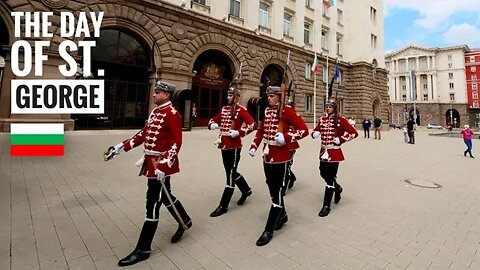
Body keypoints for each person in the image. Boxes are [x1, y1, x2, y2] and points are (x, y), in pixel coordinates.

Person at [107, 81, 192, 267]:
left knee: (152, 203)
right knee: (165, 195)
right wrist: (121, 146)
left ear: (167, 95)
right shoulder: (155, 112)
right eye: (154, 92)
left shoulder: (172, 114)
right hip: (151, 163)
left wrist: (163, 165)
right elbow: (144, 134)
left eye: (157, 92)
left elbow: (176, 143)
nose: (154, 95)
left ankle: (143, 248)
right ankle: (185, 219)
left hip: (160, 166)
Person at [249, 86, 308, 246]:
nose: (268, 98)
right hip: (267, 155)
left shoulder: (287, 111)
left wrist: (287, 137)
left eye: (272, 95)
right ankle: (282, 215)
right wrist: (254, 145)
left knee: (277, 193)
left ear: (279, 97)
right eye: (268, 95)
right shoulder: (267, 111)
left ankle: (268, 229)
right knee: (271, 188)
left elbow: (304, 130)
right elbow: (261, 130)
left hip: (281, 157)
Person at [207, 86, 256, 217]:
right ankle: (246, 190)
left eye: (230, 95)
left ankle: (223, 205)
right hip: (223, 145)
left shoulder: (241, 110)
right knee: (230, 172)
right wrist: (212, 124)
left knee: (230, 174)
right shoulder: (224, 109)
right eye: (227, 95)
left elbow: (252, 124)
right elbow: (213, 119)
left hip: (234, 146)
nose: (227, 97)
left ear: (237, 97)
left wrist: (239, 132)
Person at [311, 99, 358, 217]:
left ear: (335, 108)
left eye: (330, 107)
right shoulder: (322, 119)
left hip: (334, 152)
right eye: (327, 106)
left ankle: (326, 206)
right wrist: (314, 133)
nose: (328, 108)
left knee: (330, 178)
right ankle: (338, 188)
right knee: (322, 173)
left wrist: (341, 139)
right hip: (323, 151)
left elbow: (353, 133)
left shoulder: (340, 120)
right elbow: (316, 130)